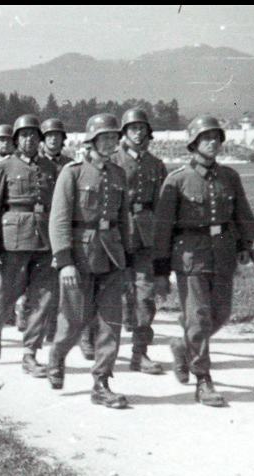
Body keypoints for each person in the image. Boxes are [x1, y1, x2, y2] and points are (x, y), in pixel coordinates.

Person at [153, 115, 254, 407]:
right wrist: (160, 271)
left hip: (222, 255)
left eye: (217, 137)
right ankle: (203, 380)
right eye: (207, 138)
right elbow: (162, 230)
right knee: (197, 319)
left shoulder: (229, 177)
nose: (213, 142)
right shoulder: (178, 179)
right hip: (190, 258)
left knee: (220, 314)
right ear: (193, 144)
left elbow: (244, 217)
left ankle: (183, 348)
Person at [47, 114, 132, 407]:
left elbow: (124, 220)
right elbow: (58, 220)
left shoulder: (119, 175)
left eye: (113, 138)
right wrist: (65, 261)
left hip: (112, 255)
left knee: (111, 322)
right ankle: (57, 356)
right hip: (81, 257)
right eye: (105, 138)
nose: (110, 143)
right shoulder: (72, 173)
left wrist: (127, 260)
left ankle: (101, 382)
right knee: (73, 321)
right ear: (92, 141)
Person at [0, 114, 60, 375]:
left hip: (44, 239)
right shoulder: (3, 167)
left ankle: (30, 353)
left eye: (33, 135)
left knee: (43, 298)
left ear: (40, 139)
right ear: (16, 140)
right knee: (3, 293)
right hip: (13, 238)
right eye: (24, 135)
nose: (29, 140)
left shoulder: (50, 168)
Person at [111, 108, 169, 374]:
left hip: (145, 234)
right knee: (108, 291)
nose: (137, 132)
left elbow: (162, 205)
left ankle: (139, 352)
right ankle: (94, 337)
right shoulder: (112, 161)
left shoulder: (156, 165)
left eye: (141, 128)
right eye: (132, 128)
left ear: (148, 131)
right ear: (123, 132)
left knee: (145, 296)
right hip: (115, 235)